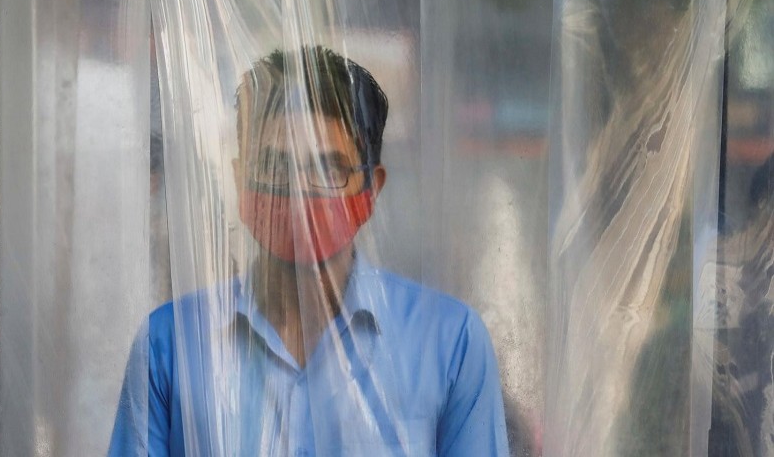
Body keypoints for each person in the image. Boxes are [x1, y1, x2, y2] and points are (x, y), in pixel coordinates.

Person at [109, 46, 509, 456]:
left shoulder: (448, 343)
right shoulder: (170, 345)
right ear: (239, 180)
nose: (299, 193)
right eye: (275, 166)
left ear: (372, 190)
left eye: (329, 170)